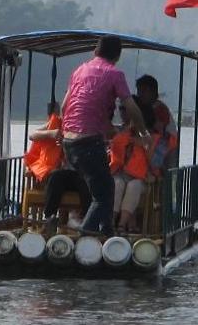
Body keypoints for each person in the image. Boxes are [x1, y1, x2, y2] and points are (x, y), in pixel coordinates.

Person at [60, 35, 150, 236]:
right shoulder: (115, 74)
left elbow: (64, 106)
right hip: (88, 142)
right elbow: (132, 108)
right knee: (102, 196)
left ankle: (107, 233)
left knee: (106, 187)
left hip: (69, 141)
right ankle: (85, 237)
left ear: (95, 52)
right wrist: (144, 132)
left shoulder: (79, 71)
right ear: (117, 56)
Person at [24, 102, 91, 236]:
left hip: (81, 172)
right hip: (61, 173)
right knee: (56, 177)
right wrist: (51, 134)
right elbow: (32, 135)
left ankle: (86, 222)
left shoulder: (87, 127)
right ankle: (50, 218)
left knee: (87, 181)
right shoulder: (56, 125)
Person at [110, 98, 157, 233]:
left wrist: (145, 146)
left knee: (134, 186)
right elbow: (114, 156)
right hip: (120, 175)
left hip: (142, 180)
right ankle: (111, 222)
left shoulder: (153, 139)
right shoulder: (122, 135)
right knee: (117, 183)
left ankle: (121, 225)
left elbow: (155, 164)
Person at [136, 74, 178, 169]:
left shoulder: (160, 108)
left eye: (144, 91)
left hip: (167, 149)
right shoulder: (144, 108)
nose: (140, 95)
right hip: (155, 146)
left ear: (154, 92)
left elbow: (158, 131)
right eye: (139, 91)